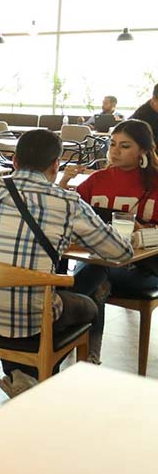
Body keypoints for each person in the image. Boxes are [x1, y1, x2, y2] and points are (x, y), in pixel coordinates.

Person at [0, 129, 131, 398]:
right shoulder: (67, 202)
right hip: (31, 320)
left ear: (15, 161)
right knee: (88, 306)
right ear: (56, 165)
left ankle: (21, 375)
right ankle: (39, 378)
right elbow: (120, 253)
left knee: (31, 298)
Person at [61, 120, 158, 330]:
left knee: (95, 274)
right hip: (98, 259)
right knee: (98, 274)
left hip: (145, 268)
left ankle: (59, 311)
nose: (115, 151)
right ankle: (89, 355)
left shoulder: (155, 182)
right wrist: (62, 183)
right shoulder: (97, 179)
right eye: (112, 144)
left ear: (143, 150)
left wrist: (145, 232)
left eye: (125, 146)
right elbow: (64, 212)